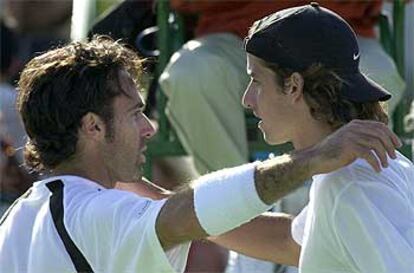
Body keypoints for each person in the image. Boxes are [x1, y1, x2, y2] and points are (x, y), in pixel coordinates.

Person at [0, 35, 401, 273]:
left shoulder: (21, 217)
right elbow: (180, 217)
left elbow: (293, 242)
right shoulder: (94, 214)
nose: (149, 128)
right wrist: (311, 160)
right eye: (136, 113)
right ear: (93, 126)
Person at [240, 3, 413, 272]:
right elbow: (289, 241)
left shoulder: (350, 187)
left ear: (293, 86)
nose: (247, 99)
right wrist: (176, 216)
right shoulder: (350, 175)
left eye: (257, 80)